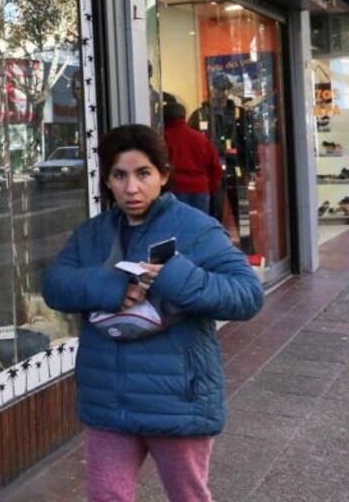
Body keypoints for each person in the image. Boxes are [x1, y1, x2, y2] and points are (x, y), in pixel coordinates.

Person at [41, 124, 263, 502]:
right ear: (107, 180)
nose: (131, 188)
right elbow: (55, 285)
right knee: (107, 495)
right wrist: (110, 286)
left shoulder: (196, 229)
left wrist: (175, 275)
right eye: (119, 175)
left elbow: (247, 294)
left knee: (187, 496)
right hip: (108, 397)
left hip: (176, 398)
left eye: (143, 174)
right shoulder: (91, 233)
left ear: (163, 175)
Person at [163, 101, 223, 214]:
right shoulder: (201, 138)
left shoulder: (163, 138)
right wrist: (209, 187)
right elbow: (216, 168)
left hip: (174, 189)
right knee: (199, 227)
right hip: (200, 189)